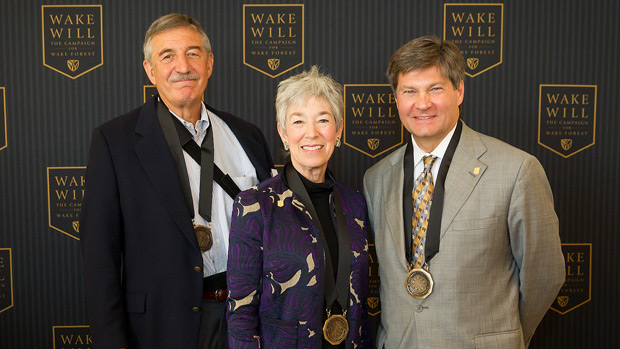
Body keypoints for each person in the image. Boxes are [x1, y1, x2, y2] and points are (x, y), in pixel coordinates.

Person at [79, 13, 274, 349]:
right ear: (150, 70)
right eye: (167, 56)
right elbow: (99, 260)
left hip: (250, 319)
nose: (183, 66)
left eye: (193, 53)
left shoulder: (248, 136)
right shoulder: (114, 142)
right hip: (162, 327)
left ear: (209, 63)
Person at [363, 36, 565, 348]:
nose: (422, 103)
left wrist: (503, 336)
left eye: (435, 88)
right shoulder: (376, 179)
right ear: (396, 99)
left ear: (459, 91)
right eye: (409, 91)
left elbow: (545, 275)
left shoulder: (516, 170)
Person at [226, 66, 371, 348]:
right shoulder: (254, 205)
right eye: (298, 122)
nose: (312, 133)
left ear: (338, 129)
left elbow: (364, 302)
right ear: (282, 133)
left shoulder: (355, 203)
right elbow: (240, 314)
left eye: (323, 120)